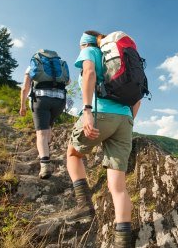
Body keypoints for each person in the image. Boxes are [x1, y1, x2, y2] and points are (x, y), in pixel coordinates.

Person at [66, 31, 141, 247]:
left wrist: (87, 110)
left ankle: (84, 205)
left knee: (73, 154)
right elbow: (138, 99)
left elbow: (88, 73)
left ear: (83, 44)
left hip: (100, 113)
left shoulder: (90, 51)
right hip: (125, 119)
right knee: (118, 187)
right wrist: (125, 122)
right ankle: (122, 242)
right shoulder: (123, 61)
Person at [20, 50, 69, 179]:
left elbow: (25, 87)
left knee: (41, 133)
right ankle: (45, 152)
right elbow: (68, 81)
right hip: (59, 100)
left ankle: (45, 165)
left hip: (41, 99)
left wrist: (22, 105)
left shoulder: (33, 64)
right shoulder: (60, 64)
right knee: (48, 127)